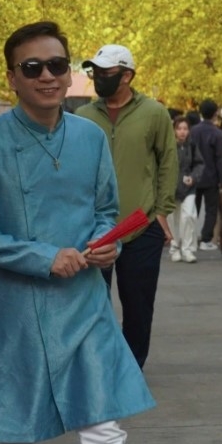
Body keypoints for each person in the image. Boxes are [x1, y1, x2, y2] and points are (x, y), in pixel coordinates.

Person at [0, 21, 154, 444]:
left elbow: (106, 211)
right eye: (32, 67)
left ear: (68, 73)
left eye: (57, 65)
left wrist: (107, 247)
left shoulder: (90, 137)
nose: (47, 76)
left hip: (84, 303)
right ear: (12, 77)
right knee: (18, 441)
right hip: (19, 311)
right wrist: (44, 257)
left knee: (104, 429)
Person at [76, 44, 178, 369]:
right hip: (94, 230)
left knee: (138, 305)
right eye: (95, 72)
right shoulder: (82, 117)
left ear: (127, 76)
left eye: (106, 73)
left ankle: (131, 368)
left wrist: (161, 210)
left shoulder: (154, 113)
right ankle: (100, 367)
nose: (98, 79)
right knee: (93, 304)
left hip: (141, 225)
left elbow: (167, 162)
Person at [189, 99, 222, 252]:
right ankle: (205, 239)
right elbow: (220, 158)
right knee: (211, 209)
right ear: (215, 113)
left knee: (192, 208)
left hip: (194, 176)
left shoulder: (193, 131)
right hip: (211, 177)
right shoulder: (217, 133)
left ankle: (190, 239)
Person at [170, 115, 204, 263]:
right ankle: (175, 247)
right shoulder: (168, 146)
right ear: (174, 130)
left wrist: (194, 177)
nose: (182, 132)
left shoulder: (192, 145)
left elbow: (199, 163)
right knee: (173, 219)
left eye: (185, 128)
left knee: (189, 215)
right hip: (170, 187)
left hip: (188, 187)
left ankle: (188, 249)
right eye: (179, 128)